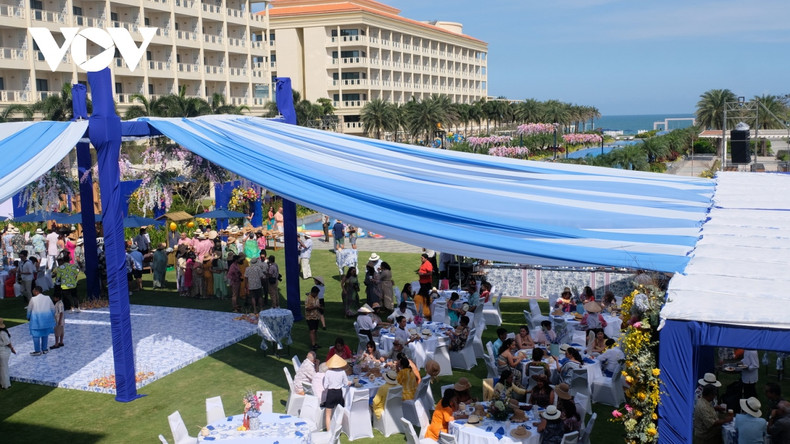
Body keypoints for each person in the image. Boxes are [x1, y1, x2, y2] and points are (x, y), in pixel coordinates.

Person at [323, 354, 350, 430]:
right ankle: (338, 429)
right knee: (339, 413)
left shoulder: (328, 372)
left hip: (331, 393)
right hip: (339, 393)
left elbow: (325, 385)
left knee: (328, 414)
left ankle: (329, 431)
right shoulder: (342, 372)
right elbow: (346, 383)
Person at [27, 286, 55, 356]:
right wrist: (51, 317)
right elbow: (53, 308)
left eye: (33, 290)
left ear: (36, 291)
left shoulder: (33, 299)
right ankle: (44, 349)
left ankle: (37, 351)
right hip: (46, 320)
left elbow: (29, 309)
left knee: (36, 336)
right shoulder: (47, 298)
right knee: (45, 334)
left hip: (36, 321)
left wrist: (28, 317)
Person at [0, 317, 16, 389]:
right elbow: (7, 342)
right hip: (3, 351)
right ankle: (6, 384)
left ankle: (3, 383)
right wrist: (12, 348)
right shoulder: (2, 333)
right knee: (4, 368)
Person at [305, 286, 322, 350]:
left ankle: (315, 343)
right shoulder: (308, 298)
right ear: (313, 292)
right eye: (316, 293)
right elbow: (307, 308)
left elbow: (318, 304)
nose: (317, 295)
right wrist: (315, 307)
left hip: (316, 316)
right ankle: (313, 345)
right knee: (312, 330)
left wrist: (319, 307)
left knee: (315, 330)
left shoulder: (317, 297)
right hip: (310, 317)